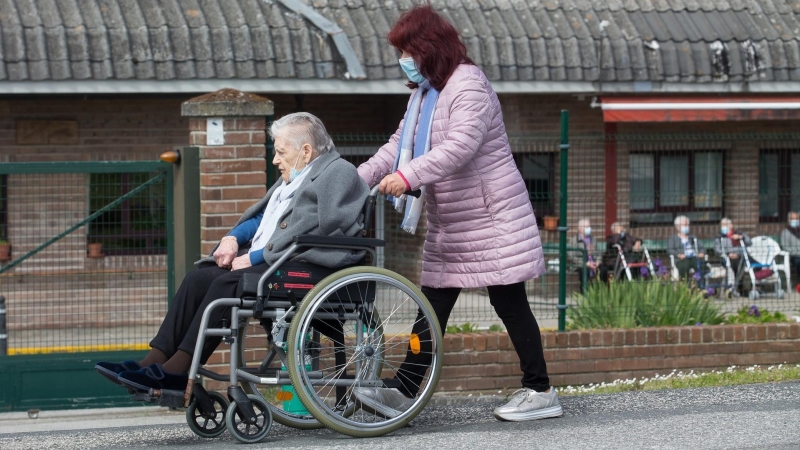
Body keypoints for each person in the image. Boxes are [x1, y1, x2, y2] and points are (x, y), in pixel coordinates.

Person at [353, 5, 561, 422]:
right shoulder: (425, 93)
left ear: (428, 48)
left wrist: (407, 176)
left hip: (491, 217)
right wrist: (353, 181)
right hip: (453, 222)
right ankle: (406, 388)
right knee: (431, 306)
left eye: (408, 51)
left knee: (510, 302)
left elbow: (459, 148)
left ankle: (540, 391)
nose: (403, 61)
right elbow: (398, 144)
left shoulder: (469, 86)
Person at [94, 113, 369, 392]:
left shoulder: (338, 171)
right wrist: (233, 238)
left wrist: (256, 257)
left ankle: (178, 371)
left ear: (306, 150)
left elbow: (322, 230)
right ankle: (154, 360)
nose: (275, 160)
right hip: (279, 262)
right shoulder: (295, 178)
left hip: (308, 266)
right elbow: (262, 218)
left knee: (226, 284)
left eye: (281, 152)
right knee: (197, 279)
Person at [713, 217, 752, 292]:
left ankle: (745, 287)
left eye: (725, 225)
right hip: (727, 258)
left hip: (740, 257)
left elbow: (749, 242)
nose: (723, 227)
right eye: (722, 225)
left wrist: (741, 237)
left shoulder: (738, 233)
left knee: (746, 263)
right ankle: (733, 288)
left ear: (731, 225)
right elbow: (717, 250)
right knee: (732, 265)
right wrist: (728, 253)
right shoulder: (719, 238)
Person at [569, 218, 599, 291]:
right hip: (581, 264)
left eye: (589, 226)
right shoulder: (573, 240)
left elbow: (599, 253)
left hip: (593, 262)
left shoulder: (593, 239)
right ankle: (585, 293)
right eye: (587, 227)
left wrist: (598, 262)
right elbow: (571, 256)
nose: (589, 228)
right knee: (584, 271)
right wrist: (586, 263)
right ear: (581, 229)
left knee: (603, 270)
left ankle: (600, 292)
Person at [780, 211, 800, 289]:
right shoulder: (785, 232)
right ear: (789, 220)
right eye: (792, 219)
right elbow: (785, 247)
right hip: (794, 256)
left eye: (797, 218)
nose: (795, 220)